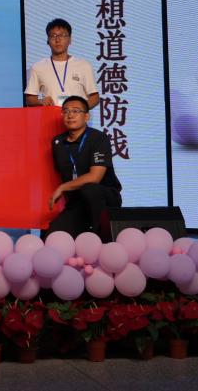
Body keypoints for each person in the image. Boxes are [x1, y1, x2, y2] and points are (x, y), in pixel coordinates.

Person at [47, 96, 123, 236]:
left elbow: (95, 177)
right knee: (53, 235)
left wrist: (63, 187)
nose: (70, 115)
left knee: (90, 189)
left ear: (86, 116)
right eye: (66, 111)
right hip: (77, 203)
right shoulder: (57, 143)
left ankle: (100, 234)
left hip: (104, 198)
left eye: (76, 111)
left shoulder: (98, 138)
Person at [25, 18, 99, 109]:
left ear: (70, 39)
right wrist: (41, 101)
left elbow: (95, 97)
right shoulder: (37, 67)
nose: (58, 40)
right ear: (48, 40)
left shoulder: (84, 65)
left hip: (76, 117)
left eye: (62, 35)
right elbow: (29, 99)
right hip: (50, 117)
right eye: (53, 36)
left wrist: (79, 109)